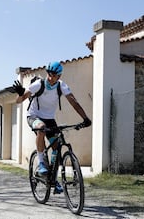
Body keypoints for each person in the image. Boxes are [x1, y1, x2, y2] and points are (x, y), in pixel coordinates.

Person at [12, 61, 91, 194]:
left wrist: (85, 118)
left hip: (49, 119)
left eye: (53, 75)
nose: (50, 77)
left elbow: (74, 102)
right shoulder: (39, 84)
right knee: (41, 129)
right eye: (49, 74)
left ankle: (53, 179)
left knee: (57, 146)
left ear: (59, 76)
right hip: (34, 116)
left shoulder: (62, 86)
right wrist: (20, 94)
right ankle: (42, 163)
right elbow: (19, 101)